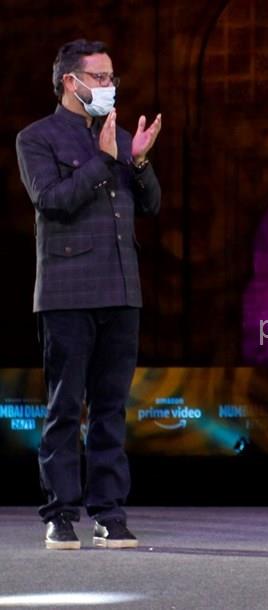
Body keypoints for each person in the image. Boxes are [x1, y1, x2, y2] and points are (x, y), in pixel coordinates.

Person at [16, 39, 162, 550]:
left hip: (121, 290)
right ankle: (60, 513)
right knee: (64, 407)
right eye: (99, 78)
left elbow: (151, 206)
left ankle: (109, 513)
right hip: (67, 292)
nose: (109, 86)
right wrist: (102, 160)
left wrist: (138, 162)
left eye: (111, 77)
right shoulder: (36, 138)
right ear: (70, 82)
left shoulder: (117, 135)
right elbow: (51, 200)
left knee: (110, 408)